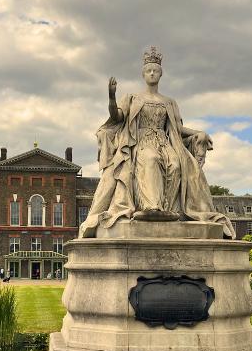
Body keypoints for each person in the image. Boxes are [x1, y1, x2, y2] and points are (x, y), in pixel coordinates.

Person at [79, 46, 235, 239]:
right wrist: (111, 97)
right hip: (140, 142)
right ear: (143, 74)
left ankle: (170, 210)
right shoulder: (133, 98)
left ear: (161, 75)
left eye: (155, 71)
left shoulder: (169, 102)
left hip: (164, 141)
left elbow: (177, 130)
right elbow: (117, 117)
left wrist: (198, 133)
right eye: (148, 71)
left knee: (177, 164)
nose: (152, 73)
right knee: (150, 159)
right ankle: (151, 207)